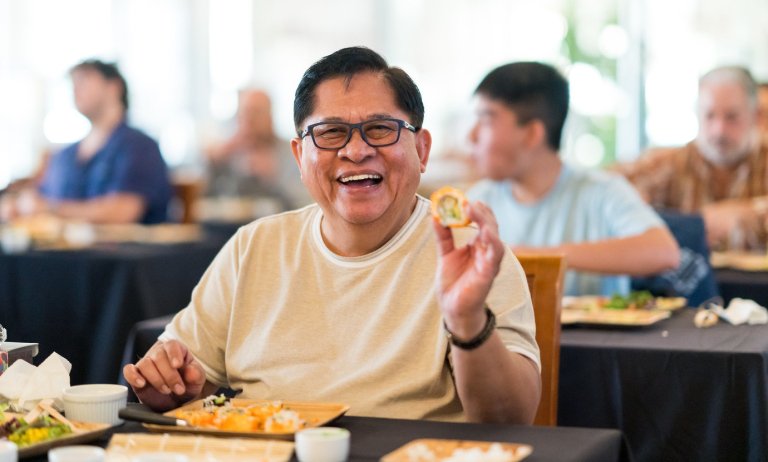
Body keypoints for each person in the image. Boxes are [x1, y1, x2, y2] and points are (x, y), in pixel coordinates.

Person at [123, 47, 541, 424]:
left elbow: (510, 417)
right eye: (330, 133)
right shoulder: (253, 247)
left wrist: (467, 320)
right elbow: (183, 380)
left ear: (422, 150)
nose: (356, 151)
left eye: (380, 129)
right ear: (299, 156)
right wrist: (167, 383)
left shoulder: (473, 256)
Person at [467, 62, 680, 296]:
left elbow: (664, 252)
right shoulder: (477, 200)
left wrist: (528, 256)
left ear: (532, 134)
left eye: (485, 121)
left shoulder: (603, 191)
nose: (471, 136)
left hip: (597, 333)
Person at [614, 66, 768, 250]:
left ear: (755, 115)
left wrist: (746, 215)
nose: (719, 130)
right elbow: (601, 190)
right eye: (709, 116)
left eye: (732, 117)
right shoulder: (669, 164)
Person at [9, 59, 172, 224]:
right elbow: (40, 197)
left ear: (114, 87)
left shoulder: (140, 147)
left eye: (84, 80)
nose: (75, 89)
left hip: (121, 248)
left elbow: (122, 213)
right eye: (73, 83)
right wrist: (18, 206)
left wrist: (50, 209)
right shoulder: (65, 155)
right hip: (62, 247)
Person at [204, 88, 312, 210]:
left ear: (270, 117)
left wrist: (273, 176)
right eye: (244, 113)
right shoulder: (228, 152)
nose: (249, 121)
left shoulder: (292, 151)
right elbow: (203, 197)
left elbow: (306, 203)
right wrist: (212, 162)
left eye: (256, 113)